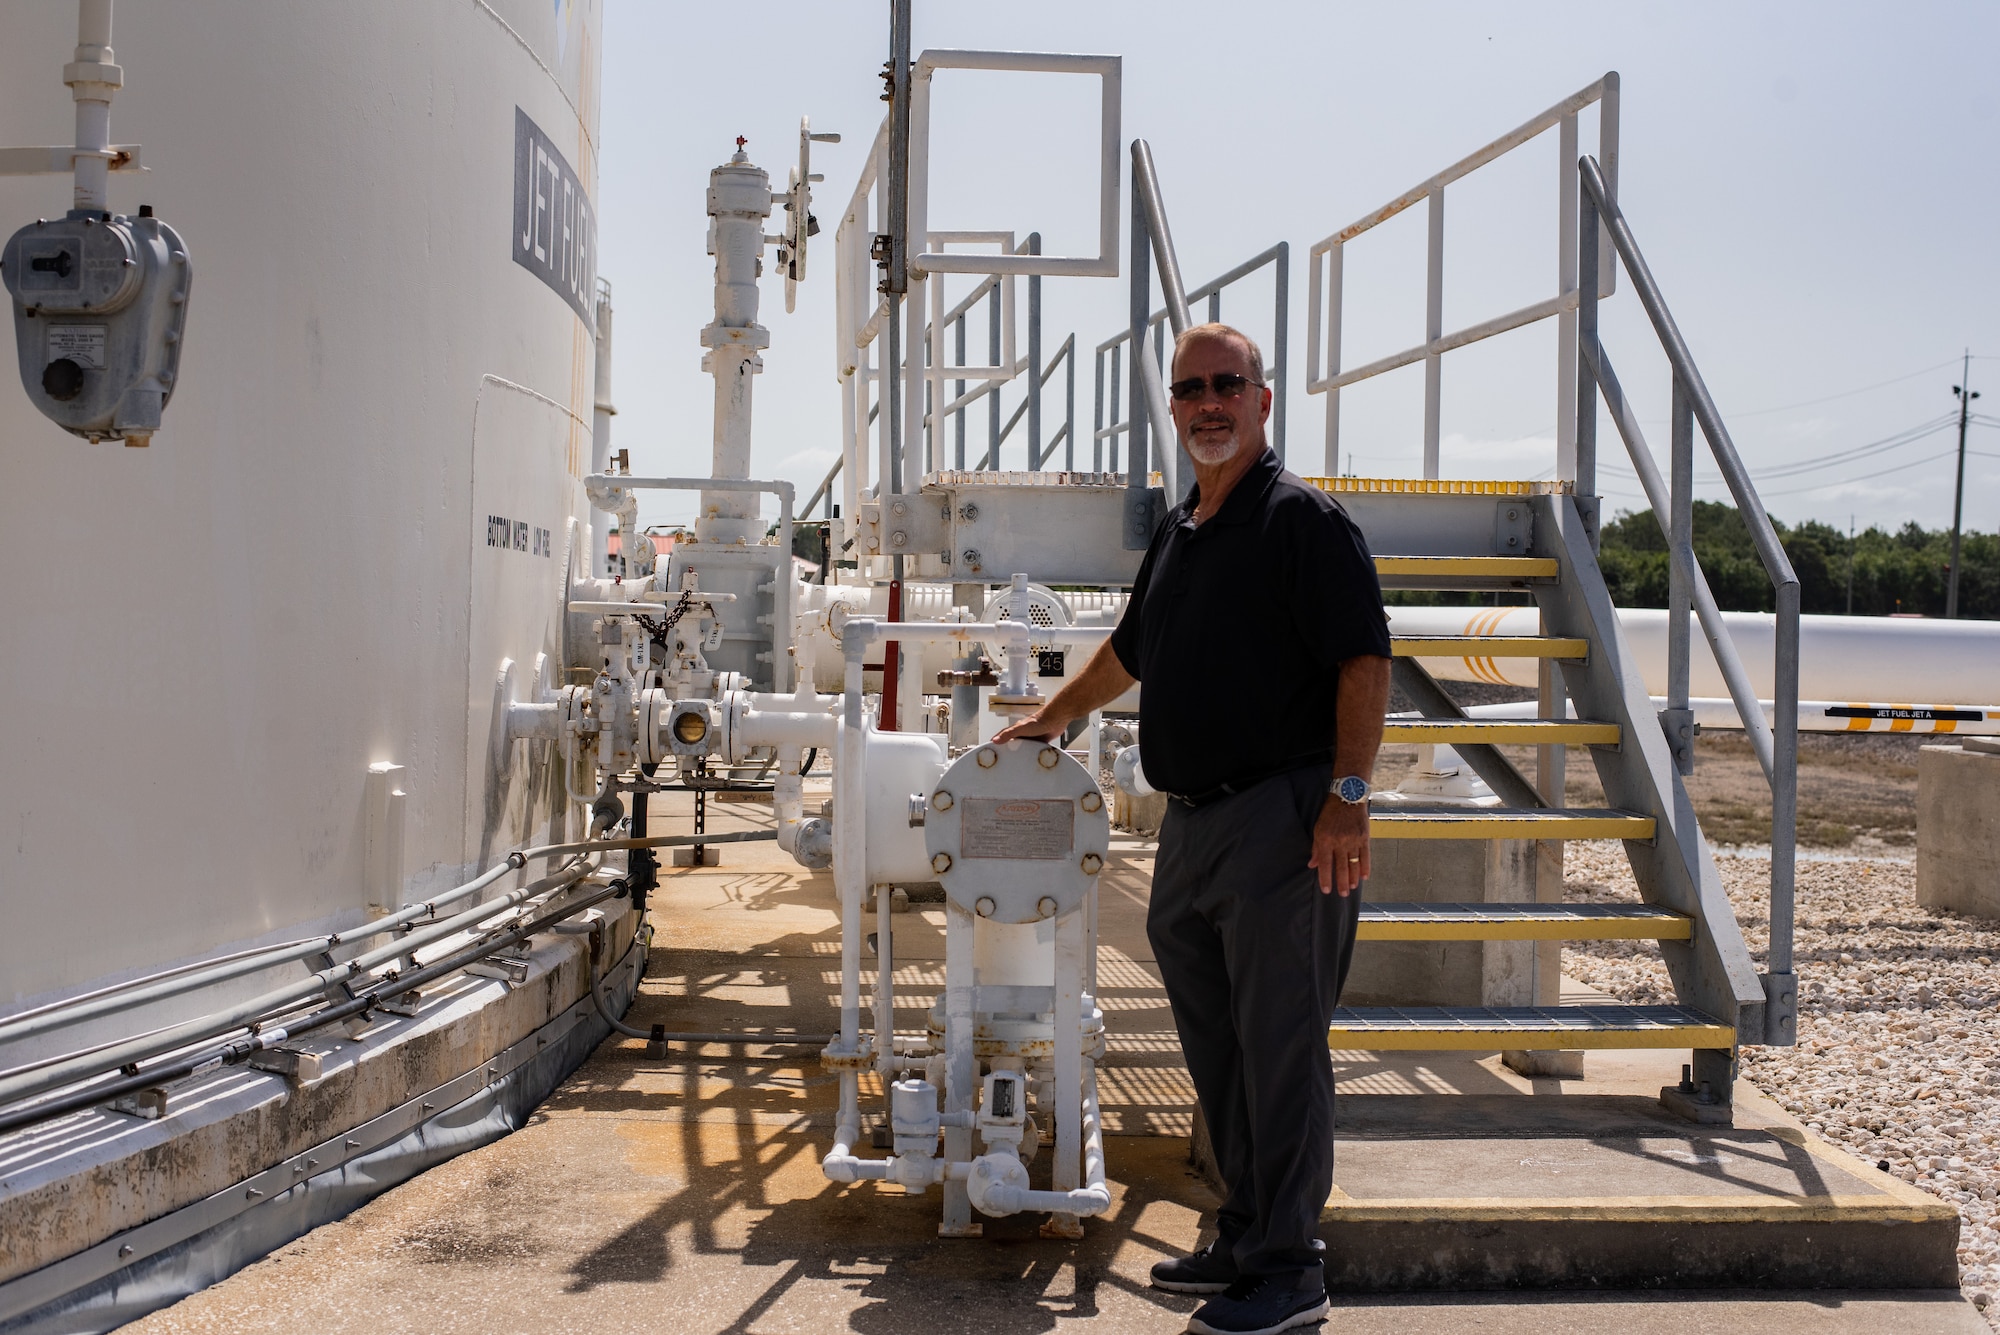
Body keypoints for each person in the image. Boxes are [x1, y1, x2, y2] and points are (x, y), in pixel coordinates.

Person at [995, 322, 1391, 1335]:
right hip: (1193, 821)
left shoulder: (1300, 521)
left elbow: (1361, 663)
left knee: (1280, 1044)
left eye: (1227, 385)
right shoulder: (1182, 530)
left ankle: (1290, 1269)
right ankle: (1243, 1228)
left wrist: (1347, 802)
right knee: (1217, 1048)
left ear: (1263, 401)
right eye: (1189, 390)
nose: (1207, 403)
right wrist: (1054, 715)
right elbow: (1130, 649)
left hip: (1283, 817)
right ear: (1171, 411)